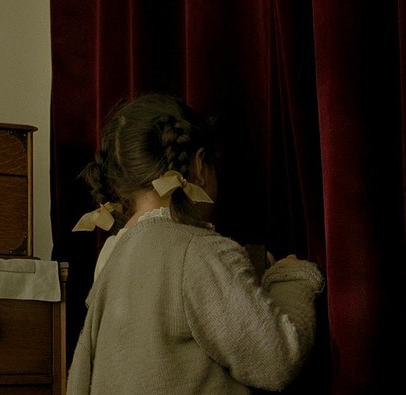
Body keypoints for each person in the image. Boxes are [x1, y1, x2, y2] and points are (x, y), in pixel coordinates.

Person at [67, 93, 324, 394]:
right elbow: (277, 360)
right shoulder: (200, 252)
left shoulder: (110, 254)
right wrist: (289, 278)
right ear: (200, 165)